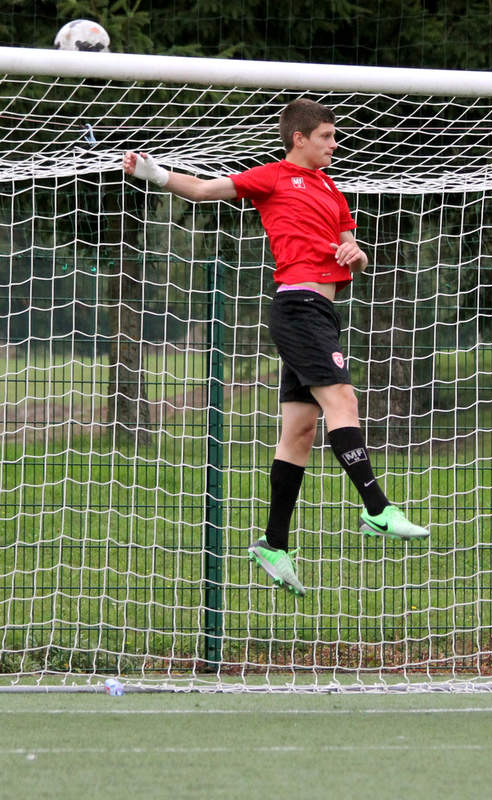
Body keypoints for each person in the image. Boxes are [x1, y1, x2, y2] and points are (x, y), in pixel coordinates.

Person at [123, 99, 428, 597]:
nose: (334, 144)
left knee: (301, 431)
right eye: (327, 136)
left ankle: (273, 544)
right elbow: (201, 189)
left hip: (321, 311)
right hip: (298, 308)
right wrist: (156, 174)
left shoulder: (333, 190)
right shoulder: (273, 177)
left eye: (335, 136)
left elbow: (353, 256)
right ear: (299, 139)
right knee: (343, 402)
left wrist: (357, 254)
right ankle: (378, 509)